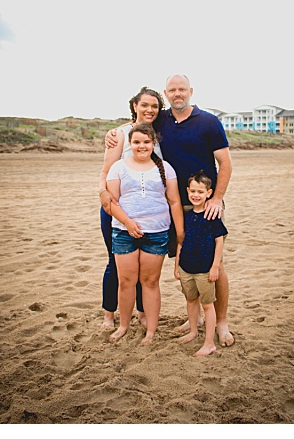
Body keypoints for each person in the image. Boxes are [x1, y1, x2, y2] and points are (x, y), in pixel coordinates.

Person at [107, 74, 235, 345]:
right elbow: (138, 122)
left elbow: (225, 163)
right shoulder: (162, 120)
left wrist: (217, 198)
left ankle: (221, 322)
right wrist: (115, 134)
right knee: (187, 263)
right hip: (175, 206)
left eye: (182, 89)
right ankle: (195, 318)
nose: (178, 94)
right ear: (167, 93)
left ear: (191, 91)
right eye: (172, 90)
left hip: (204, 203)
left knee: (216, 264)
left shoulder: (209, 122)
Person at [105, 122, 185, 344]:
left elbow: (175, 202)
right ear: (130, 144)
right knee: (126, 281)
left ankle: (151, 331)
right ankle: (123, 326)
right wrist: (129, 223)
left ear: (153, 143)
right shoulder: (118, 167)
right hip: (123, 232)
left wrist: (180, 234)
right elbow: (111, 203)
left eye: (147, 142)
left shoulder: (165, 168)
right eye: (137, 142)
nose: (142, 146)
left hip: (157, 232)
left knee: (150, 281)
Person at [98, 87, 163, 331]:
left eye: (155, 106)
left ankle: (142, 312)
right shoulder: (120, 134)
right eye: (144, 104)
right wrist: (103, 193)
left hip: (147, 213)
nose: (149, 110)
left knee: (142, 265)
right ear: (134, 105)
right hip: (116, 209)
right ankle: (108, 313)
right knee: (116, 263)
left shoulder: (158, 136)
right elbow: (105, 171)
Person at [174, 172, 228, 357]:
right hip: (187, 267)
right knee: (190, 301)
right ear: (187, 191)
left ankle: (209, 343)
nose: (196, 195)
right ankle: (193, 331)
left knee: (207, 305)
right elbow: (181, 241)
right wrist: (177, 265)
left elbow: (219, 241)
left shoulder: (212, 215)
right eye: (193, 191)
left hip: (205, 269)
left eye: (200, 191)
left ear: (209, 193)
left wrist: (214, 267)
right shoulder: (187, 215)